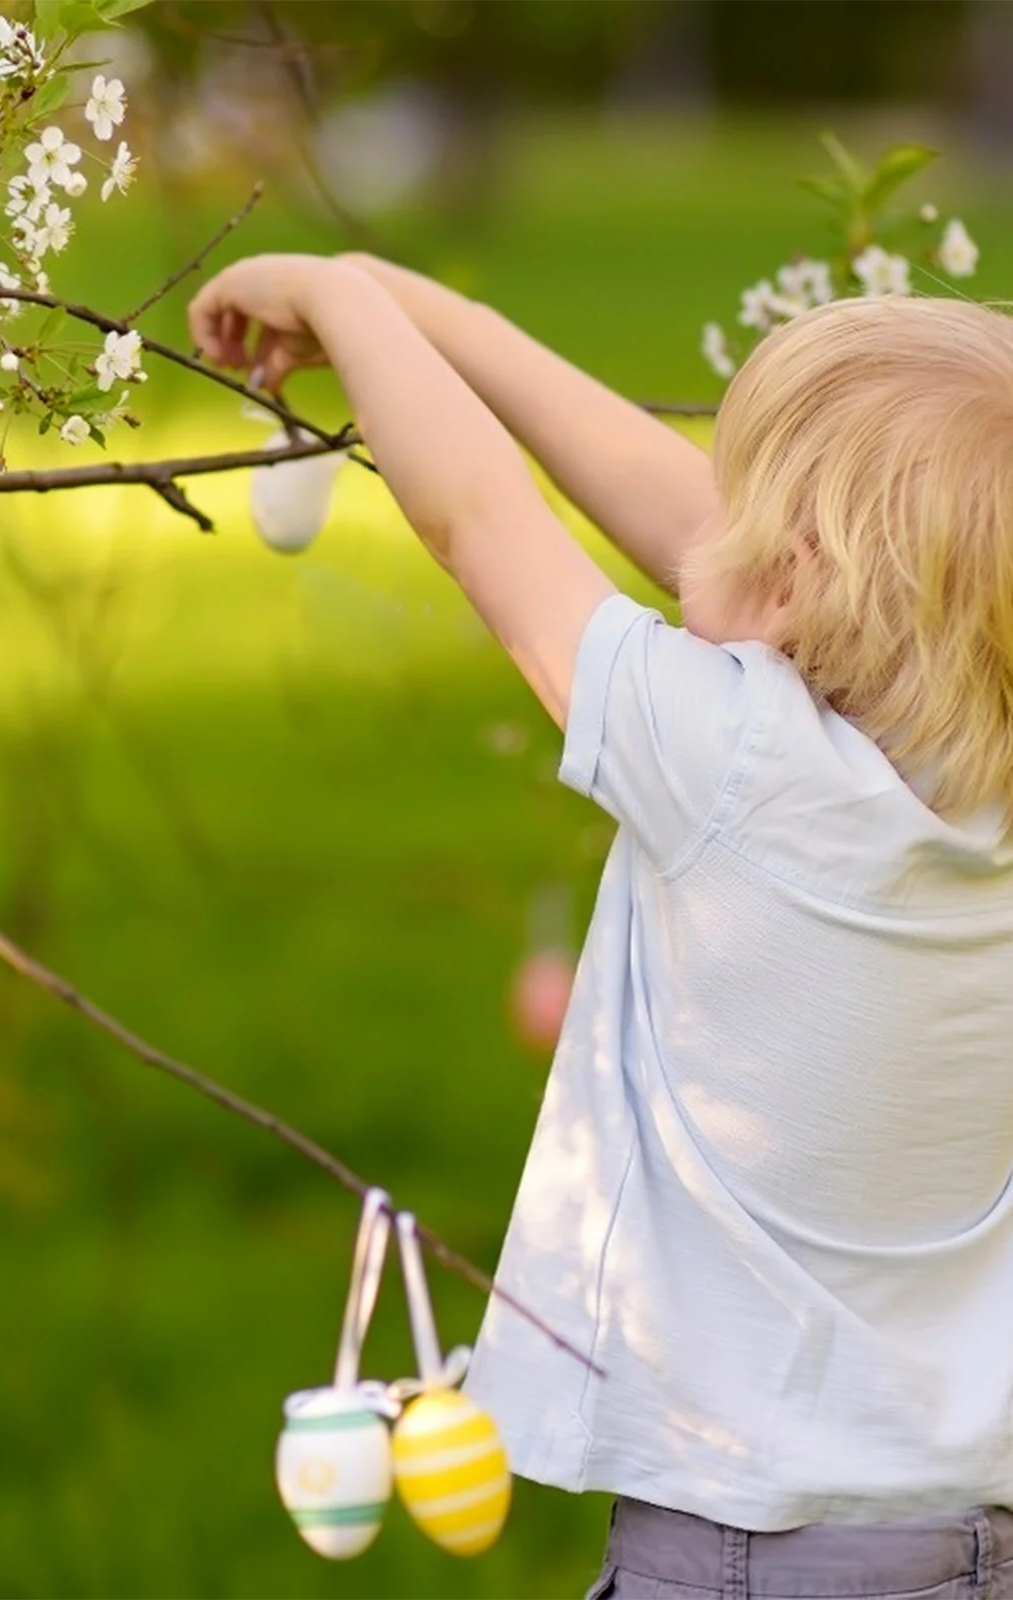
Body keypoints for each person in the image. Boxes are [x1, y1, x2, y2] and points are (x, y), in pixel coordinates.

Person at [188, 256, 1013, 1597]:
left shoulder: (741, 770)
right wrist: (425, 313)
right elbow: (695, 531)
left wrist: (338, 295)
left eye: (748, 509)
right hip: (969, 1534)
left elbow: (473, 520)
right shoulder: (973, 774)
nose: (708, 521)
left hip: (752, 1553)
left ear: (800, 584)